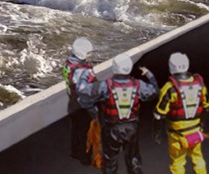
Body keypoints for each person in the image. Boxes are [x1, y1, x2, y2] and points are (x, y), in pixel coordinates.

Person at [86, 53, 158, 174]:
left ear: (114, 68)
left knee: (110, 161)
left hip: (111, 129)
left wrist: (90, 77)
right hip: (131, 128)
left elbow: (88, 91)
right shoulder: (138, 84)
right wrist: (149, 75)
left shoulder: (106, 85)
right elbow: (154, 91)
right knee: (133, 159)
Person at [154, 52, 209, 174]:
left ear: (171, 67)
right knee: (198, 158)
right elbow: (207, 106)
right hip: (195, 130)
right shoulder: (200, 85)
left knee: (177, 162)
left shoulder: (169, 88)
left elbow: (159, 114)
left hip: (177, 134)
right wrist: (201, 125)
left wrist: (158, 132)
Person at [63, 37, 97, 165]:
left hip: (72, 102)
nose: (90, 55)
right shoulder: (84, 70)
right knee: (85, 132)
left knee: (75, 129)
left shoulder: (68, 63)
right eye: (88, 53)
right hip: (83, 105)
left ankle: (75, 153)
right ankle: (85, 157)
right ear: (82, 53)